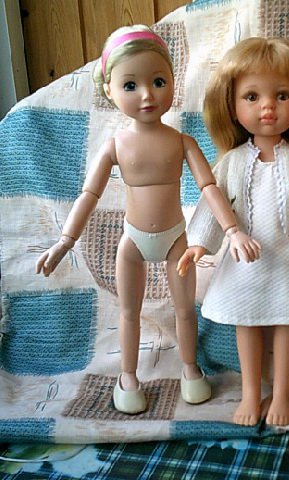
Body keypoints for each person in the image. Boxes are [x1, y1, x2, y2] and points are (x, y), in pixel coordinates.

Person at [36, 25, 260, 414]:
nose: (147, 95)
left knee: (185, 310)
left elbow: (210, 187)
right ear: (109, 90)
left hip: (177, 241)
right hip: (133, 243)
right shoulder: (115, 146)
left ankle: (190, 369)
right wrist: (65, 241)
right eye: (130, 85)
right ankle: (128, 377)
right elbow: (88, 195)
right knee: (129, 312)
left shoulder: (181, 142)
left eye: (158, 81)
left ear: (172, 81)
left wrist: (233, 230)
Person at [178, 37, 289, 427]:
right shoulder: (231, 163)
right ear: (231, 106)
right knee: (246, 324)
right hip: (244, 265)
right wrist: (198, 244)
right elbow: (212, 204)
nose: (268, 106)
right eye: (252, 97)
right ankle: (251, 393)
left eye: (282, 95)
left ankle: (281, 395)